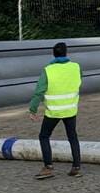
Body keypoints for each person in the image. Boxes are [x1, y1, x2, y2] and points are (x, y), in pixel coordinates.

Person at [29, 42, 83, 179]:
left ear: (53, 54)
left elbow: (39, 91)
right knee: (72, 137)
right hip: (70, 109)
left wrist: (33, 109)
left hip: (53, 111)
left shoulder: (48, 70)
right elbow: (78, 82)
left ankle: (48, 167)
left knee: (44, 136)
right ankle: (76, 167)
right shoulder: (76, 67)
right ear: (66, 53)